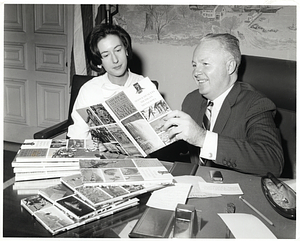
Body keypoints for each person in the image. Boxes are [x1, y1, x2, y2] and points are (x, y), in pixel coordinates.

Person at [163, 33, 284, 177]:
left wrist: (202, 138)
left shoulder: (256, 104)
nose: (196, 72)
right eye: (194, 65)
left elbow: (273, 163)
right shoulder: (192, 100)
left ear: (230, 66)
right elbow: (180, 149)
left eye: (205, 64)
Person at [67, 24, 145, 139]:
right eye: (106, 55)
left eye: (118, 50)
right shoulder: (89, 90)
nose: (115, 60)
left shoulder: (143, 84)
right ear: (99, 62)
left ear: (126, 50)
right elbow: (78, 135)